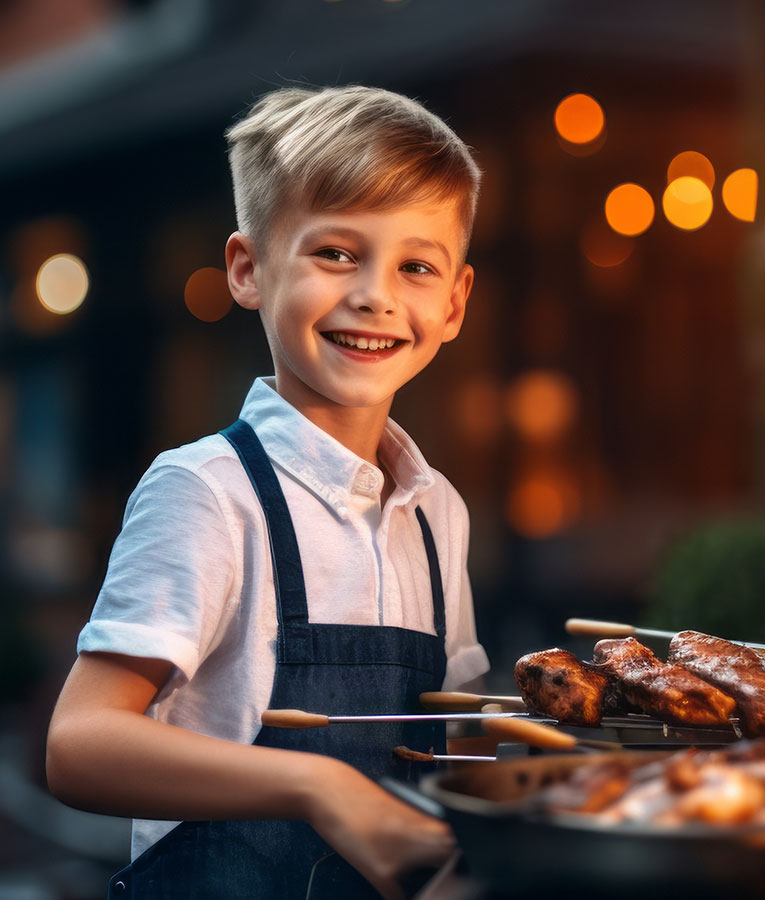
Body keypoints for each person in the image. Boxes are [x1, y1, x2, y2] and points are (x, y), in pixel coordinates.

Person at [45, 85, 489, 899]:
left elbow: (454, 738)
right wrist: (319, 786)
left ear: (454, 302)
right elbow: (80, 745)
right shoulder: (208, 493)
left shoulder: (438, 513)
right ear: (248, 271)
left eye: (416, 266)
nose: (376, 295)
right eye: (335, 254)